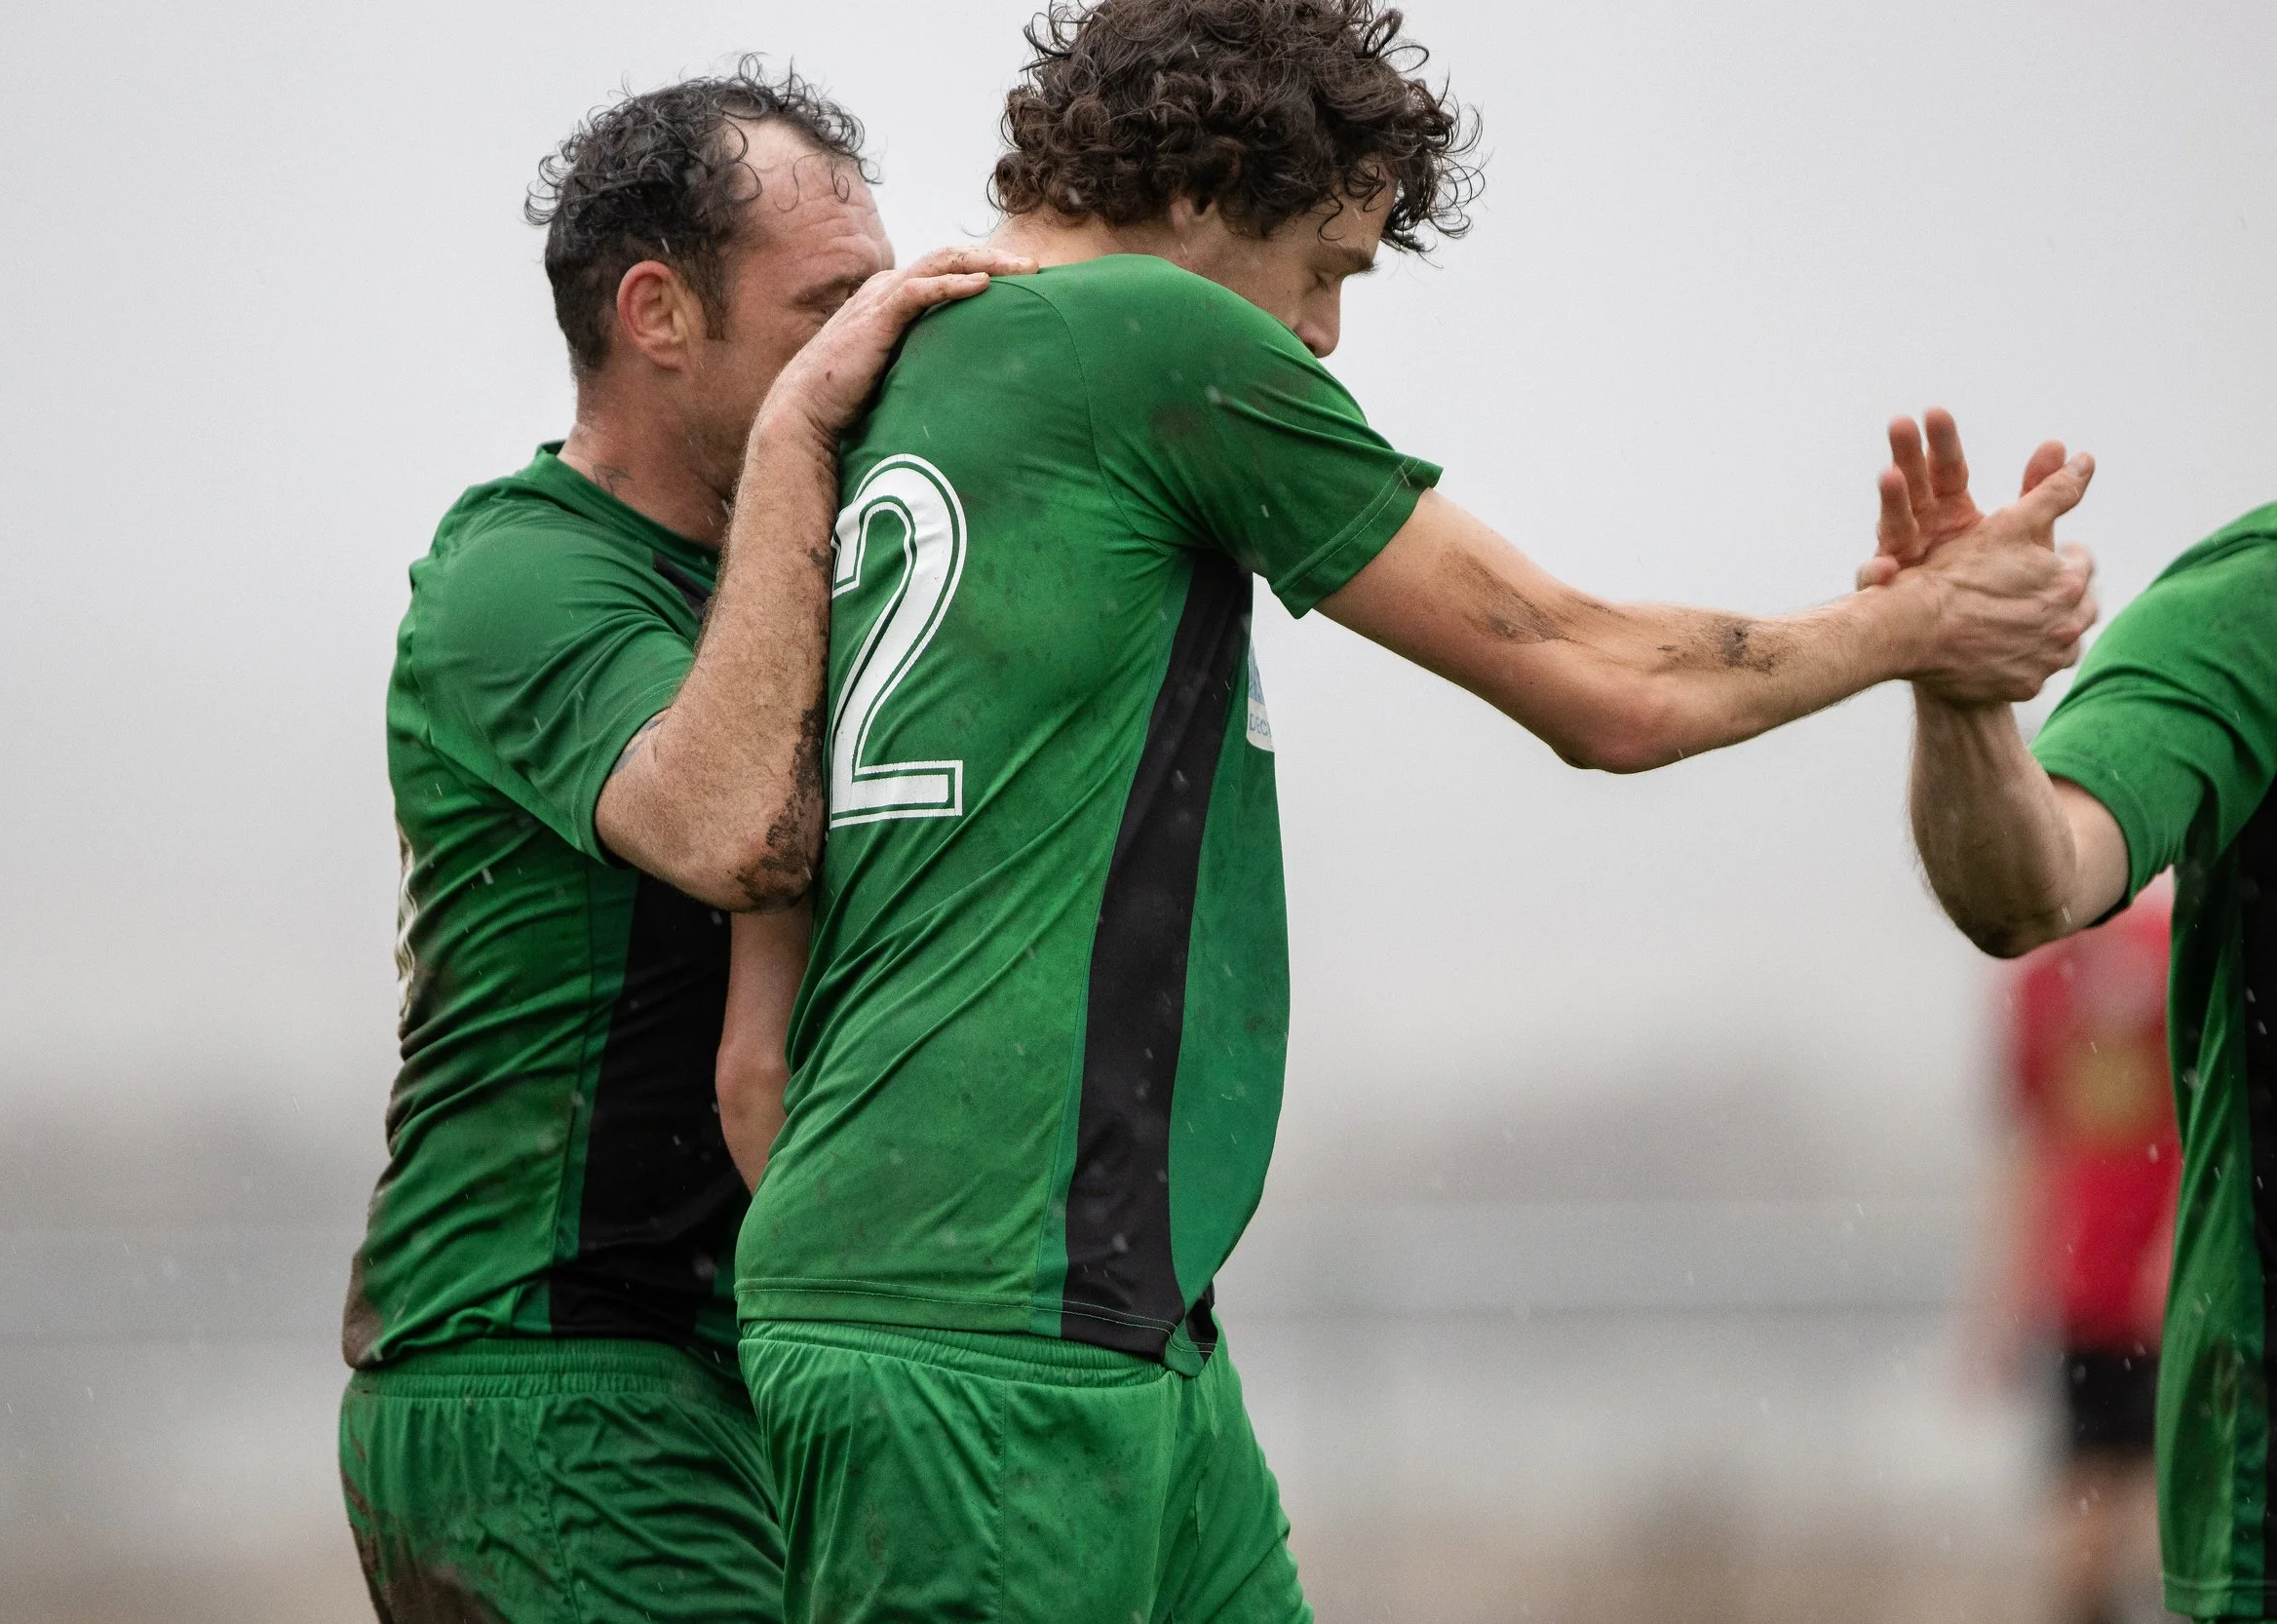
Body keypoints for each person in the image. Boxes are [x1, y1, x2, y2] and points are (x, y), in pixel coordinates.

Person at [712, 3, 2102, 1619]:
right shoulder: (1155, 336)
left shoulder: (890, 366)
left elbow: (756, 1053)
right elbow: (1596, 681)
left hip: (1063, 1307)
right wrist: (1908, 630)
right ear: (1212, 189)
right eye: (1330, 269)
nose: (1323, 338)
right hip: (997, 1339)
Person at [333, 69, 1029, 1622]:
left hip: (735, 1373)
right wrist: (799, 447)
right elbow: (732, 827)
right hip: (546, 1369)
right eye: (831, 308)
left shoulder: (815, 568)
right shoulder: (515, 576)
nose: (878, 346)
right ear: (658, 314)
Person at [1895, 407, 2276, 1619]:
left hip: (2160, 1291)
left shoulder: (2164, 946)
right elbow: (2027, 890)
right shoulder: (2245, 611)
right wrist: (1999, 1303)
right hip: (2116, 1307)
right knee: (2080, 1554)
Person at [1978, 886, 2179, 1624]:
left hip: (2181, 1297)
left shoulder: (2179, 950)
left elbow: (2219, 1115)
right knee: (2081, 1525)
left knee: (2175, 1515)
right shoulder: (2037, 983)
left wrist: (2178, 1249)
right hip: (2084, 1298)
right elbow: (2029, 1150)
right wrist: (2000, 1304)